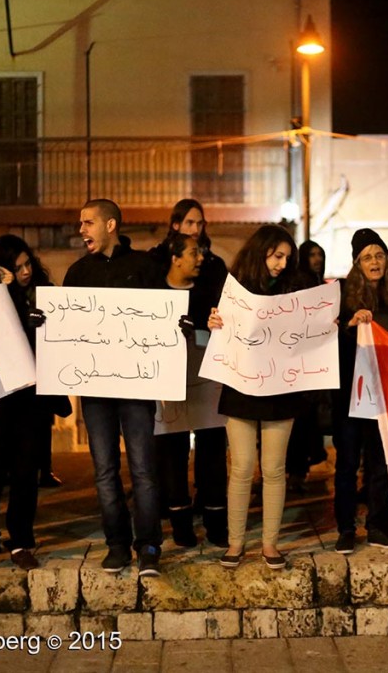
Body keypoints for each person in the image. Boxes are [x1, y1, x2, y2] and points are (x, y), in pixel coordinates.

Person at [62, 198, 166, 577]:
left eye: (87, 222)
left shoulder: (144, 268)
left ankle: (150, 546)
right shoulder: (76, 273)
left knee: (143, 469)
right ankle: (117, 546)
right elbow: (67, 329)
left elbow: (165, 318)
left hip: (137, 387)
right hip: (95, 391)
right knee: (104, 470)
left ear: (110, 225)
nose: (81, 230)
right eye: (80, 222)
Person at [207, 224, 305, 570]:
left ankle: (270, 545)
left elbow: (308, 328)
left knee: (274, 469)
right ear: (260, 251)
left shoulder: (296, 287)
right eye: (276, 255)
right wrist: (215, 320)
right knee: (242, 467)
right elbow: (220, 325)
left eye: (286, 258)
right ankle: (236, 544)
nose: (281, 263)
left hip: (280, 388)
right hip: (241, 386)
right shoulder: (235, 287)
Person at [150, 199, 229, 547]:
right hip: (169, 378)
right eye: (189, 223)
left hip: (207, 374)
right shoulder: (153, 273)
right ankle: (181, 526)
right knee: (173, 452)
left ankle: (216, 523)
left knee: (212, 449)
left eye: (200, 222)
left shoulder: (214, 270)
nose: (195, 229)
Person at [333, 229, 388, 554]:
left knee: (381, 460)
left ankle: (380, 526)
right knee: (348, 462)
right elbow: (329, 343)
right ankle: (346, 529)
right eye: (367, 257)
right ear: (356, 263)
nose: (374, 262)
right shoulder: (341, 294)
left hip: (386, 393)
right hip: (350, 394)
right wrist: (351, 326)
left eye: (379, 255)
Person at [0, 234, 68, 489]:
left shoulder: (43, 291)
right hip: (6, 390)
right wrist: (5, 289)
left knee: (29, 458)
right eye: (18, 268)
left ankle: (41, 473)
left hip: (36, 387)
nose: (26, 271)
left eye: (28, 264)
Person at [285, 239, 333, 493]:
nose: (316, 259)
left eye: (319, 254)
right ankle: (296, 469)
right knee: (300, 420)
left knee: (308, 419)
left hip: (314, 362)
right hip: (299, 363)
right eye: (311, 255)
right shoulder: (299, 283)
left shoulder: (318, 284)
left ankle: (300, 468)